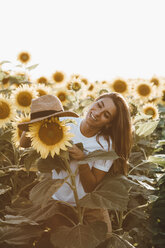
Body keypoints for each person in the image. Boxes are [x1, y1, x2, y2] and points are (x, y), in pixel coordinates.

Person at [0, 93, 132, 247]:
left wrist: (82, 160)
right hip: (59, 205)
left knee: (103, 242)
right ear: (94, 102)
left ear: (109, 124)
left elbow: (90, 187)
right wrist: (37, 120)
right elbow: (24, 144)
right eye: (99, 105)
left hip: (90, 208)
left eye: (106, 115)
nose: (97, 113)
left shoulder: (106, 144)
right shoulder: (63, 123)